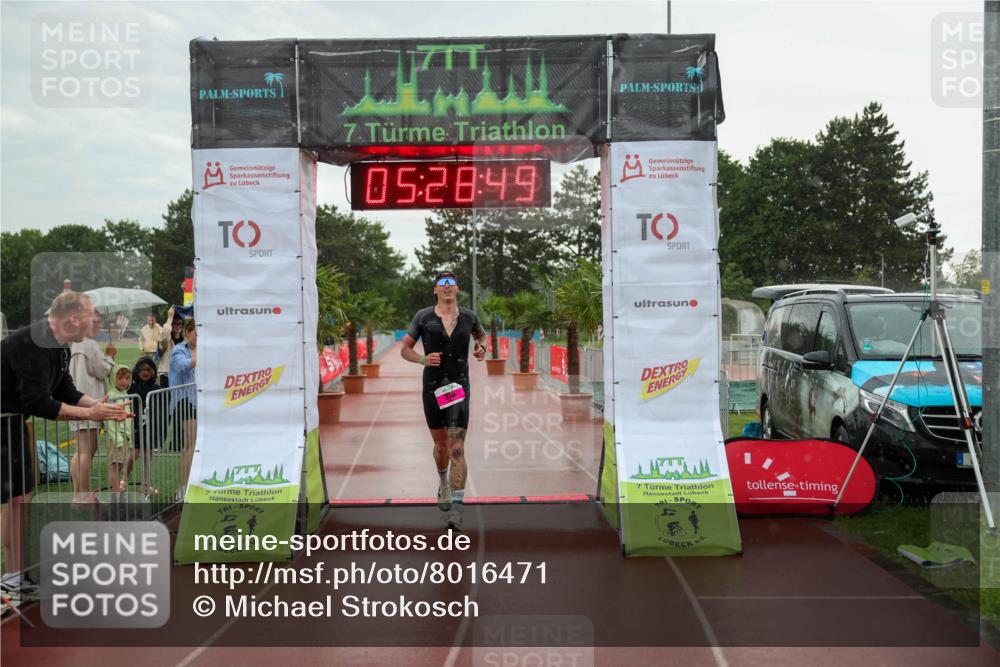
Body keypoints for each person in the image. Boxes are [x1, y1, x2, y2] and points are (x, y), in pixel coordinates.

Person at [0, 292, 128, 590]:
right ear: (73, 319)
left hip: (12, 422)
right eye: (92, 314)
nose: (96, 320)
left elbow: (66, 392)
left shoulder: (60, 346)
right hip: (4, 423)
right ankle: (11, 577)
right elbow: (39, 403)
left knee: (19, 499)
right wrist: (91, 414)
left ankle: (14, 576)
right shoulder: (32, 341)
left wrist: (101, 409)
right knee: (14, 499)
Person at [400, 272, 487, 531]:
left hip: (459, 386)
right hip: (432, 387)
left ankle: (457, 512)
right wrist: (422, 359)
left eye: (451, 284)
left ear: (457, 289)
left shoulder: (469, 317)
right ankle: (443, 483)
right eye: (442, 284)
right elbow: (405, 349)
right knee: (441, 447)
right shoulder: (423, 317)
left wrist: (482, 348)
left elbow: (481, 338)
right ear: (435, 290)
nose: (447, 288)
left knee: (457, 446)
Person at [69, 310, 117, 498]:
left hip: (77, 400)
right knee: (86, 450)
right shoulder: (88, 344)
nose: (98, 326)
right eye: (95, 322)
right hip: (88, 402)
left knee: (81, 449)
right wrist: (110, 356)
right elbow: (102, 370)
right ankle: (83, 493)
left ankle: (77, 493)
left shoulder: (74, 343)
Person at [169, 318, 197, 497]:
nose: (200, 337)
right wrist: (196, 351)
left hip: (201, 401)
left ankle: (194, 484)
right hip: (184, 401)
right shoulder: (178, 350)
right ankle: (183, 487)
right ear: (187, 332)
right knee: (191, 443)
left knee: (197, 444)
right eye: (197, 332)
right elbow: (184, 366)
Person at [128, 356, 161, 495]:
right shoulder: (132, 387)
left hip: (150, 427)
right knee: (134, 454)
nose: (145, 372)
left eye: (148, 369)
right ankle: (122, 480)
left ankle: (146, 485)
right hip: (135, 425)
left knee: (148, 455)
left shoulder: (156, 387)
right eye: (141, 370)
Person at [105, 364, 134, 493]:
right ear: (113, 378)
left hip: (124, 437)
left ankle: (118, 494)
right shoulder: (112, 396)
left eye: (127, 378)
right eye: (120, 378)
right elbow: (110, 421)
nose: (124, 381)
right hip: (117, 438)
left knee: (120, 465)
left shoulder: (124, 393)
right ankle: (115, 495)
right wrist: (117, 439)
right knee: (115, 466)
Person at [158, 306, 184, 387]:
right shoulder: (167, 341)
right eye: (175, 323)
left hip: (181, 376)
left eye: (180, 323)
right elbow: (165, 334)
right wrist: (170, 318)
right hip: (167, 376)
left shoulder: (185, 341)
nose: (177, 325)